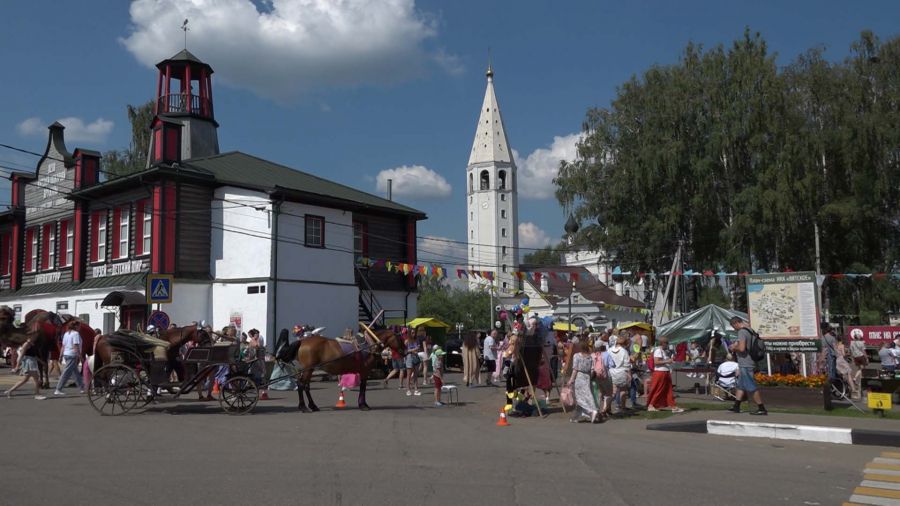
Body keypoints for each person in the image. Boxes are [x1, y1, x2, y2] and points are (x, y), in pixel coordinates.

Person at [728, 316, 767, 415]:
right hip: (747, 362)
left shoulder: (741, 332)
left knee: (751, 386)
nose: (734, 329)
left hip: (746, 363)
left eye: (733, 326)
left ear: (736, 323)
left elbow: (742, 348)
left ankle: (761, 408)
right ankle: (736, 406)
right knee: (740, 386)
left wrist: (733, 348)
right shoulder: (750, 330)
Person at [646, 336, 684, 412]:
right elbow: (656, 362)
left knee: (668, 390)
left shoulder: (663, 351)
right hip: (660, 372)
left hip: (665, 372)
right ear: (663, 343)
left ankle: (673, 406)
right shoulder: (658, 350)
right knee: (659, 389)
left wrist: (669, 361)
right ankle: (651, 405)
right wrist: (667, 361)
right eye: (666, 343)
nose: (667, 344)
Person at [567, 338, 599, 423]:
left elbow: (575, 369)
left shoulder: (577, 356)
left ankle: (591, 411)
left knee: (580, 397)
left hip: (579, 377)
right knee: (587, 395)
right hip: (587, 377)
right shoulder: (590, 357)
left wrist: (571, 380)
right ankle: (575, 417)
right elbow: (592, 370)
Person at [54, 320, 85, 395]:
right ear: (76, 326)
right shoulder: (76, 334)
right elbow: (76, 345)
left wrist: (61, 356)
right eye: (79, 326)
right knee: (66, 372)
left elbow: (63, 346)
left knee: (75, 373)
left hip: (66, 354)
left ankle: (82, 388)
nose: (80, 328)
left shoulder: (66, 334)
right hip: (72, 354)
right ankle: (58, 389)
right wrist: (80, 356)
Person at [607, 335, 631, 413]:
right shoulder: (624, 351)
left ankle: (608, 407)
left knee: (612, 392)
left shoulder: (609, 350)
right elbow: (627, 364)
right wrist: (629, 374)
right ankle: (622, 407)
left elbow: (606, 361)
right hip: (621, 371)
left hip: (611, 372)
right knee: (623, 390)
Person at [848, 329, 867, 400]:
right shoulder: (861, 343)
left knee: (859, 368)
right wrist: (866, 357)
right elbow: (863, 350)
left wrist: (852, 357)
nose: (860, 336)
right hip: (861, 356)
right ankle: (860, 381)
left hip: (855, 357)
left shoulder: (851, 343)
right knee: (862, 368)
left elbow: (851, 350)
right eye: (859, 336)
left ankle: (856, 379)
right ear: (857, 337)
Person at [404, 330, 421, 396]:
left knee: (415, 375)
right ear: (409, 333)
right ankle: (408, 390)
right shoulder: (406, 341)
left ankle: (416, 389)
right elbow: (405, 351)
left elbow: (419, 348)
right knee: (409, 374)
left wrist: (416, 349)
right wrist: (413, 350)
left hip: (416, 357)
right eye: (412, 333)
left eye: (414, 332)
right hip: (409, 357)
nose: (413, 334)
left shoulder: (416, 340)